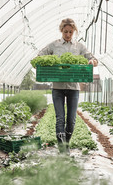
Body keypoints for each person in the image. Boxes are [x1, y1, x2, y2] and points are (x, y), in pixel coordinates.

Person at [36, 18, 98, 153]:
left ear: (74, 31)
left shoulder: (79, 47)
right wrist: (44, 62)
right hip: (57, 87)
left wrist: (92, 62)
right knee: (60, 119)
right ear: (61, 31)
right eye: (65, 32)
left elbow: (92, 59)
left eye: (70, 32)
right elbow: (40, 55)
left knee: (71, 120)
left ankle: (66, 144)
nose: (68, 35)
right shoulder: (54, 45)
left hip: (73, 88)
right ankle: (63, 150)